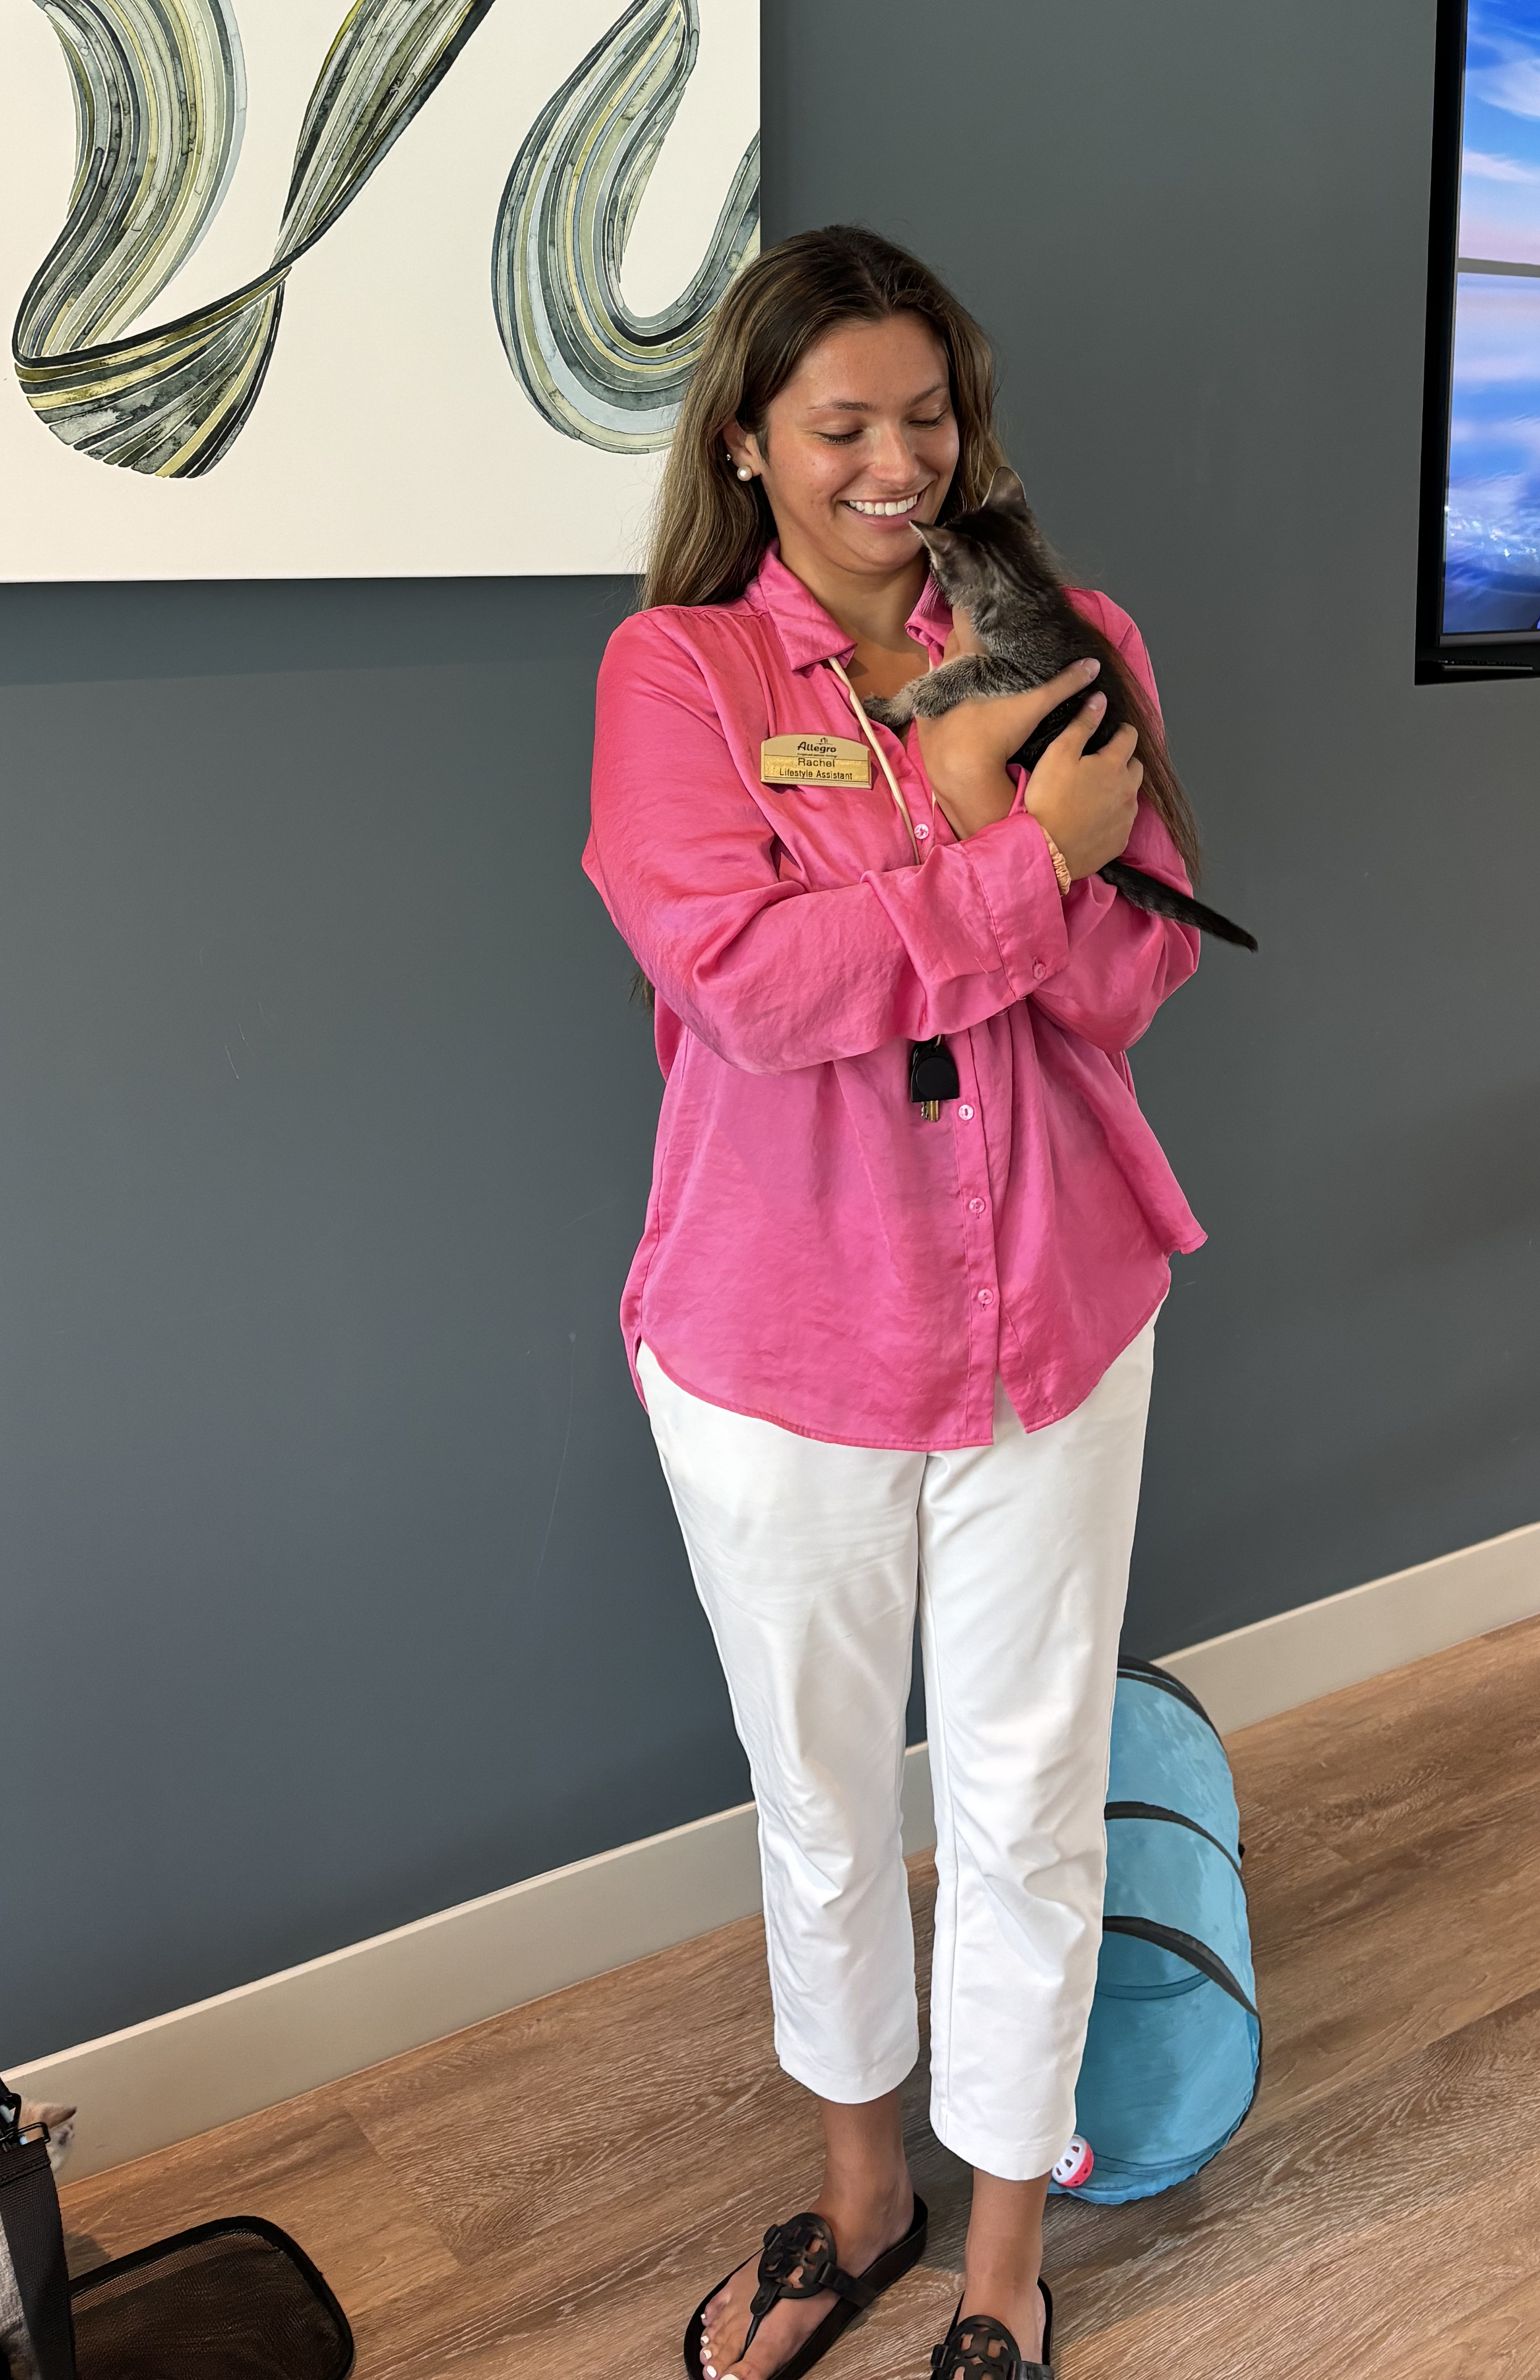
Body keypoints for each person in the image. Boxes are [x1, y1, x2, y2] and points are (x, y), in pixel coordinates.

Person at [583, 228, 1206, 2380]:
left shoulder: (1070, 632)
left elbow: (1143, 970)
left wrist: (998, 885)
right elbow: (748, 995)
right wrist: (1012, 856)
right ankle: (862, 2199)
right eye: (840, 425)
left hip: (1053, 1312)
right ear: (749, 442)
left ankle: (1005, 2260)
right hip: (780, 1344)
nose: (893, 464)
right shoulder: (679, 679)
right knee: (827, 1798)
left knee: (1025, 1796)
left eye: (924, 418)